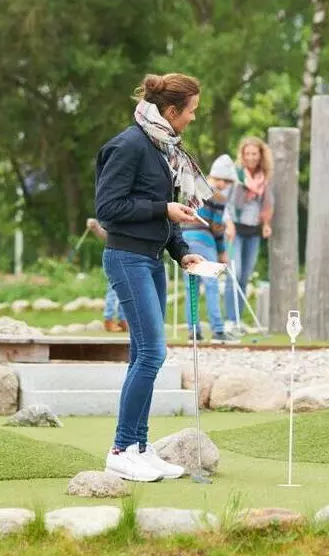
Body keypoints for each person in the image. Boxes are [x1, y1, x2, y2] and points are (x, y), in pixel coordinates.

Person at [95, 72, 212, 482]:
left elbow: (167, 208)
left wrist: (182, 253)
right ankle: (121, 449)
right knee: (152, 355)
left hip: (151, 259)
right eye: (191, 111)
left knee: (142, 355)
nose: (194, 118)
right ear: (171, 111)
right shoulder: (129, 146)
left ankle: (140, 447)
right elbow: (108, 209)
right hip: (126, 258)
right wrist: (161, 209)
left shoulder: (162, 148)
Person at [180, 154, 241, 344]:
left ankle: (194, 331)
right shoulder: (219, 198)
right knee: (212, 285)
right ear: (214, 176)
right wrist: (222, 251)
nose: (223, 184)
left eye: (227, 181)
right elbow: (216, 228)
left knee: (192, 287)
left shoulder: (192, 189)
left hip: (184, 240)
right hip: (205, 242)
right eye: (222, 180)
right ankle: (218, 330)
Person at [223, 136, 275, 330]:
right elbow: (225, 204)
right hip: (235, 230)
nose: (251, 157)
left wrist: (266, 223)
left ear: (260, 155)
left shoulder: (264, 178)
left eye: (255, 154)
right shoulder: (236, 176)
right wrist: (228, 223)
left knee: (244, 276)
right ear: (242, 156)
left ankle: (238, 319)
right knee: (233, 274)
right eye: (248, 154)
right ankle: (229, 319)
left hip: (253, 232)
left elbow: (268, 204)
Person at [86, 218, 128, 333]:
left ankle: (123, 320)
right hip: (115, 254)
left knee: (127, 289)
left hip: (128, 255)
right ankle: (108, 320)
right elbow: (105, 235)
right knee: (114, 290)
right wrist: (95, 227)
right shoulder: (114, 213)